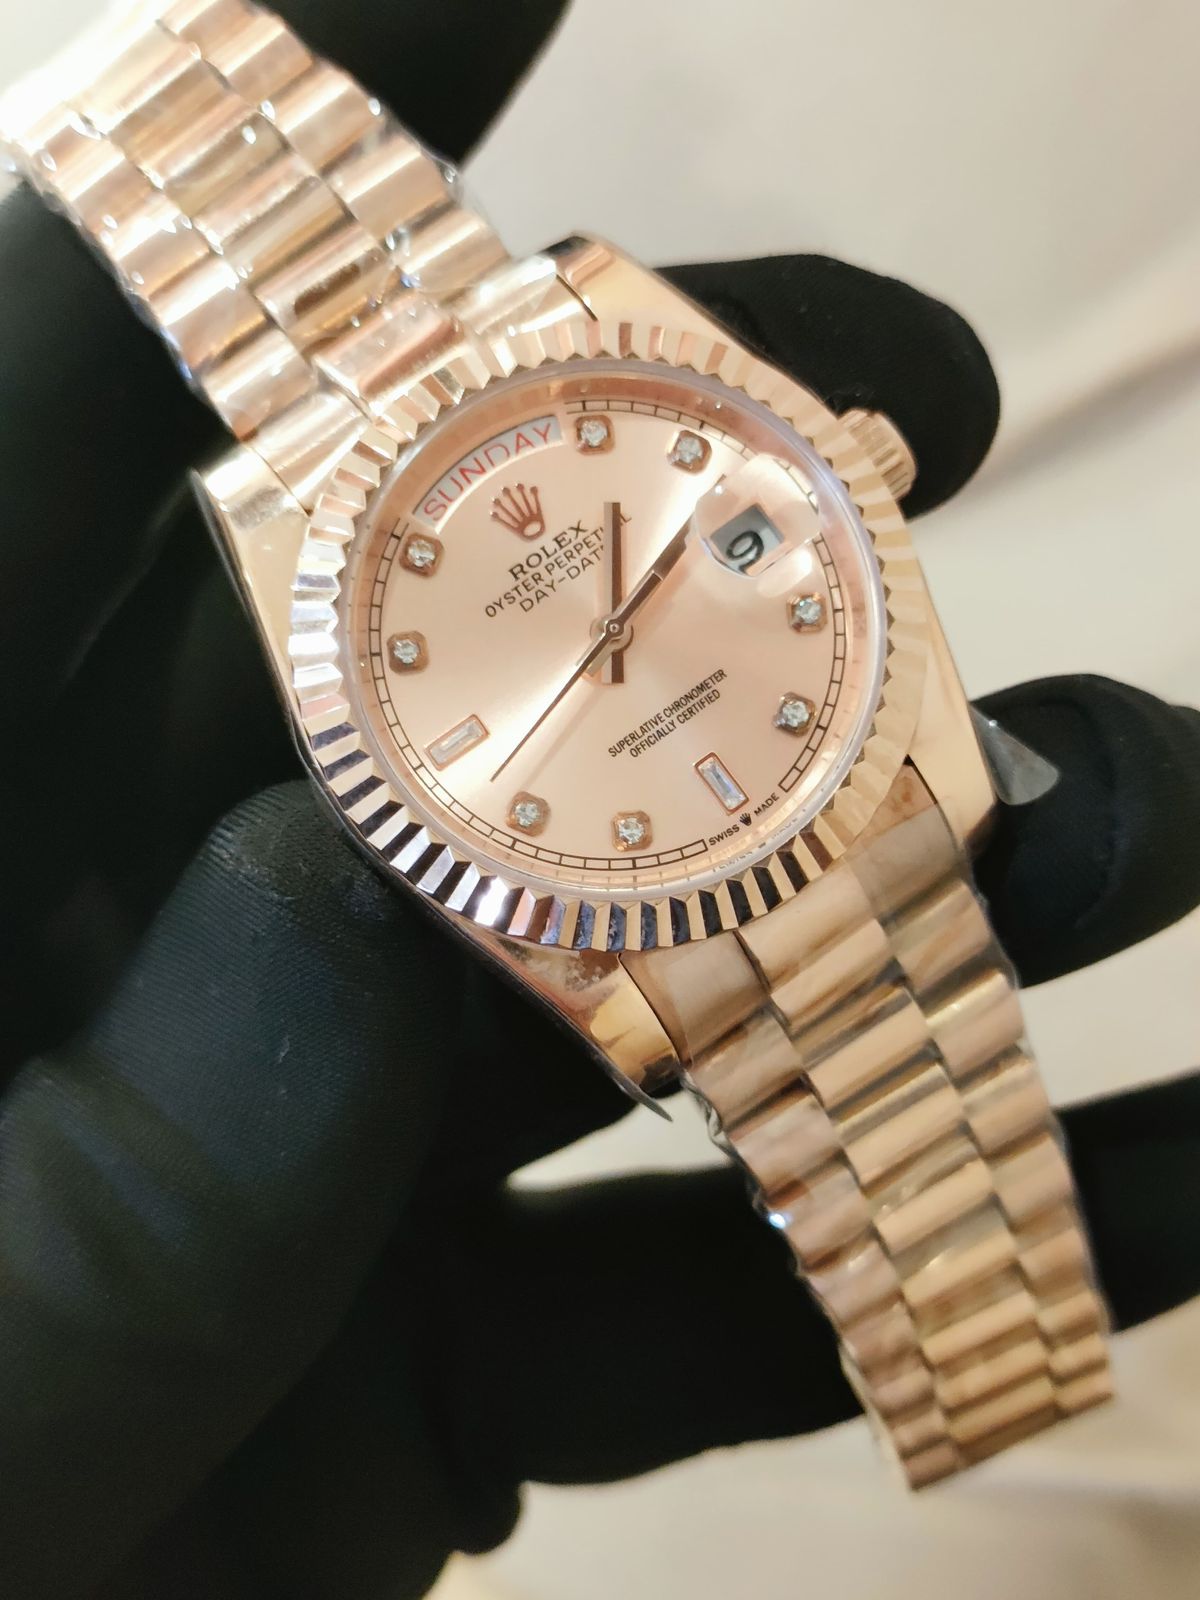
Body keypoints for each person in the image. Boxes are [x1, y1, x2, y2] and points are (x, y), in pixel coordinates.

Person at [0, 3, 1196, 1595]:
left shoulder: (646, 376)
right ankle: (991, 1358)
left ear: (848, 459)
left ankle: (1002, 1350)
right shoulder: (313, 586)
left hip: (814, 768)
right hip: (652, 870)